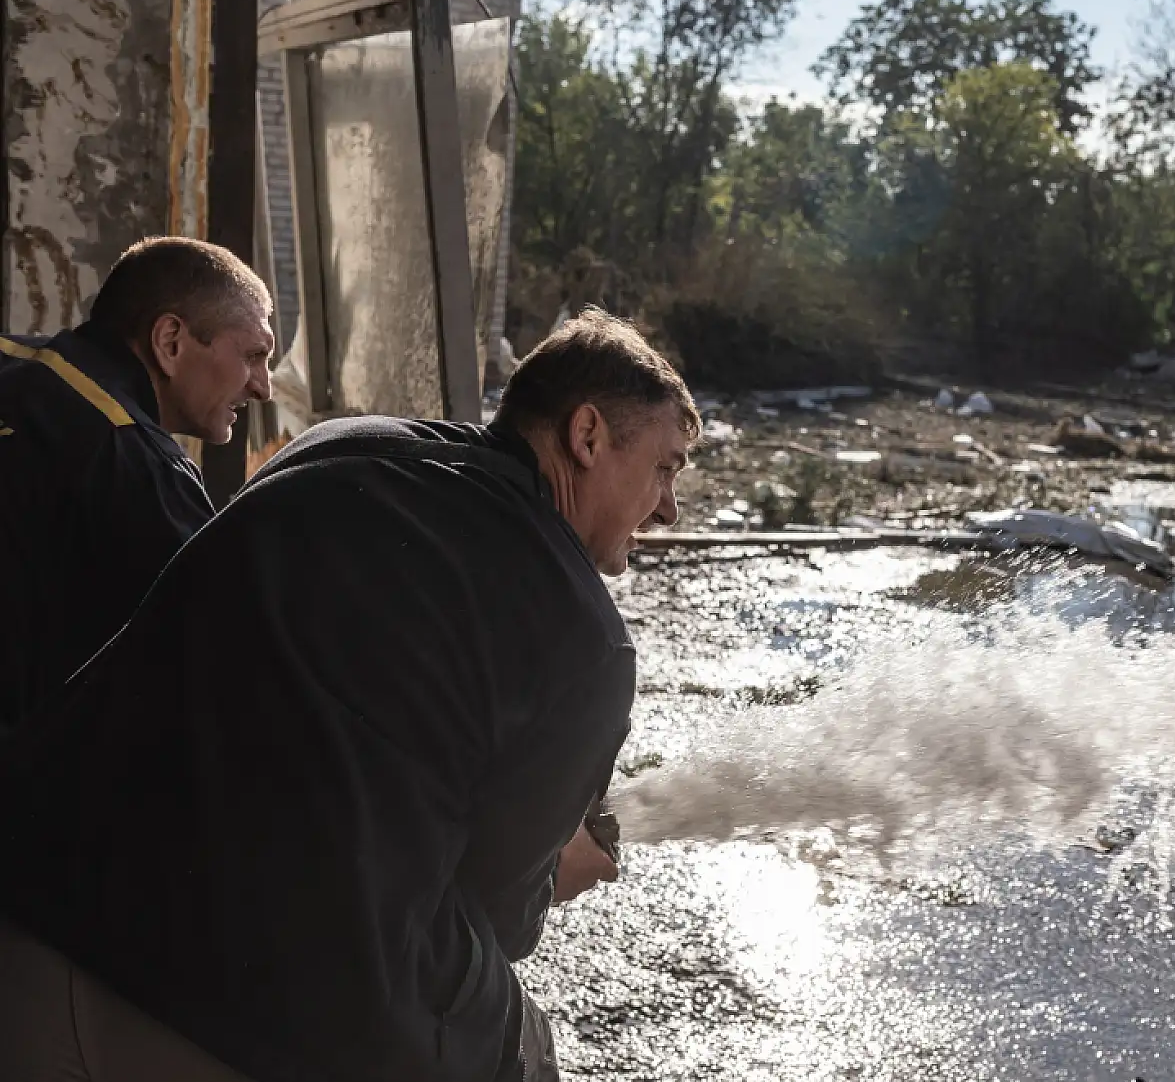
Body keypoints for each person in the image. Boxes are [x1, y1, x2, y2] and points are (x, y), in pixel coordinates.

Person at [0, 307, 697, 1082]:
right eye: (666, 468)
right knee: (519, 1045)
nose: (668, 508)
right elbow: (497, 916)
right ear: (589, 435)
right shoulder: (586, 641)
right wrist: (558, 870)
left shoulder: (342, 444)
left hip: (32, 906)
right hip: (221, 1012)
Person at [0, 236, 275, 733]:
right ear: (170, 341)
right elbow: (235, 664)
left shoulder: (13, 360)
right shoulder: (135, 465)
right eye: (253, 354)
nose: (263, 385)